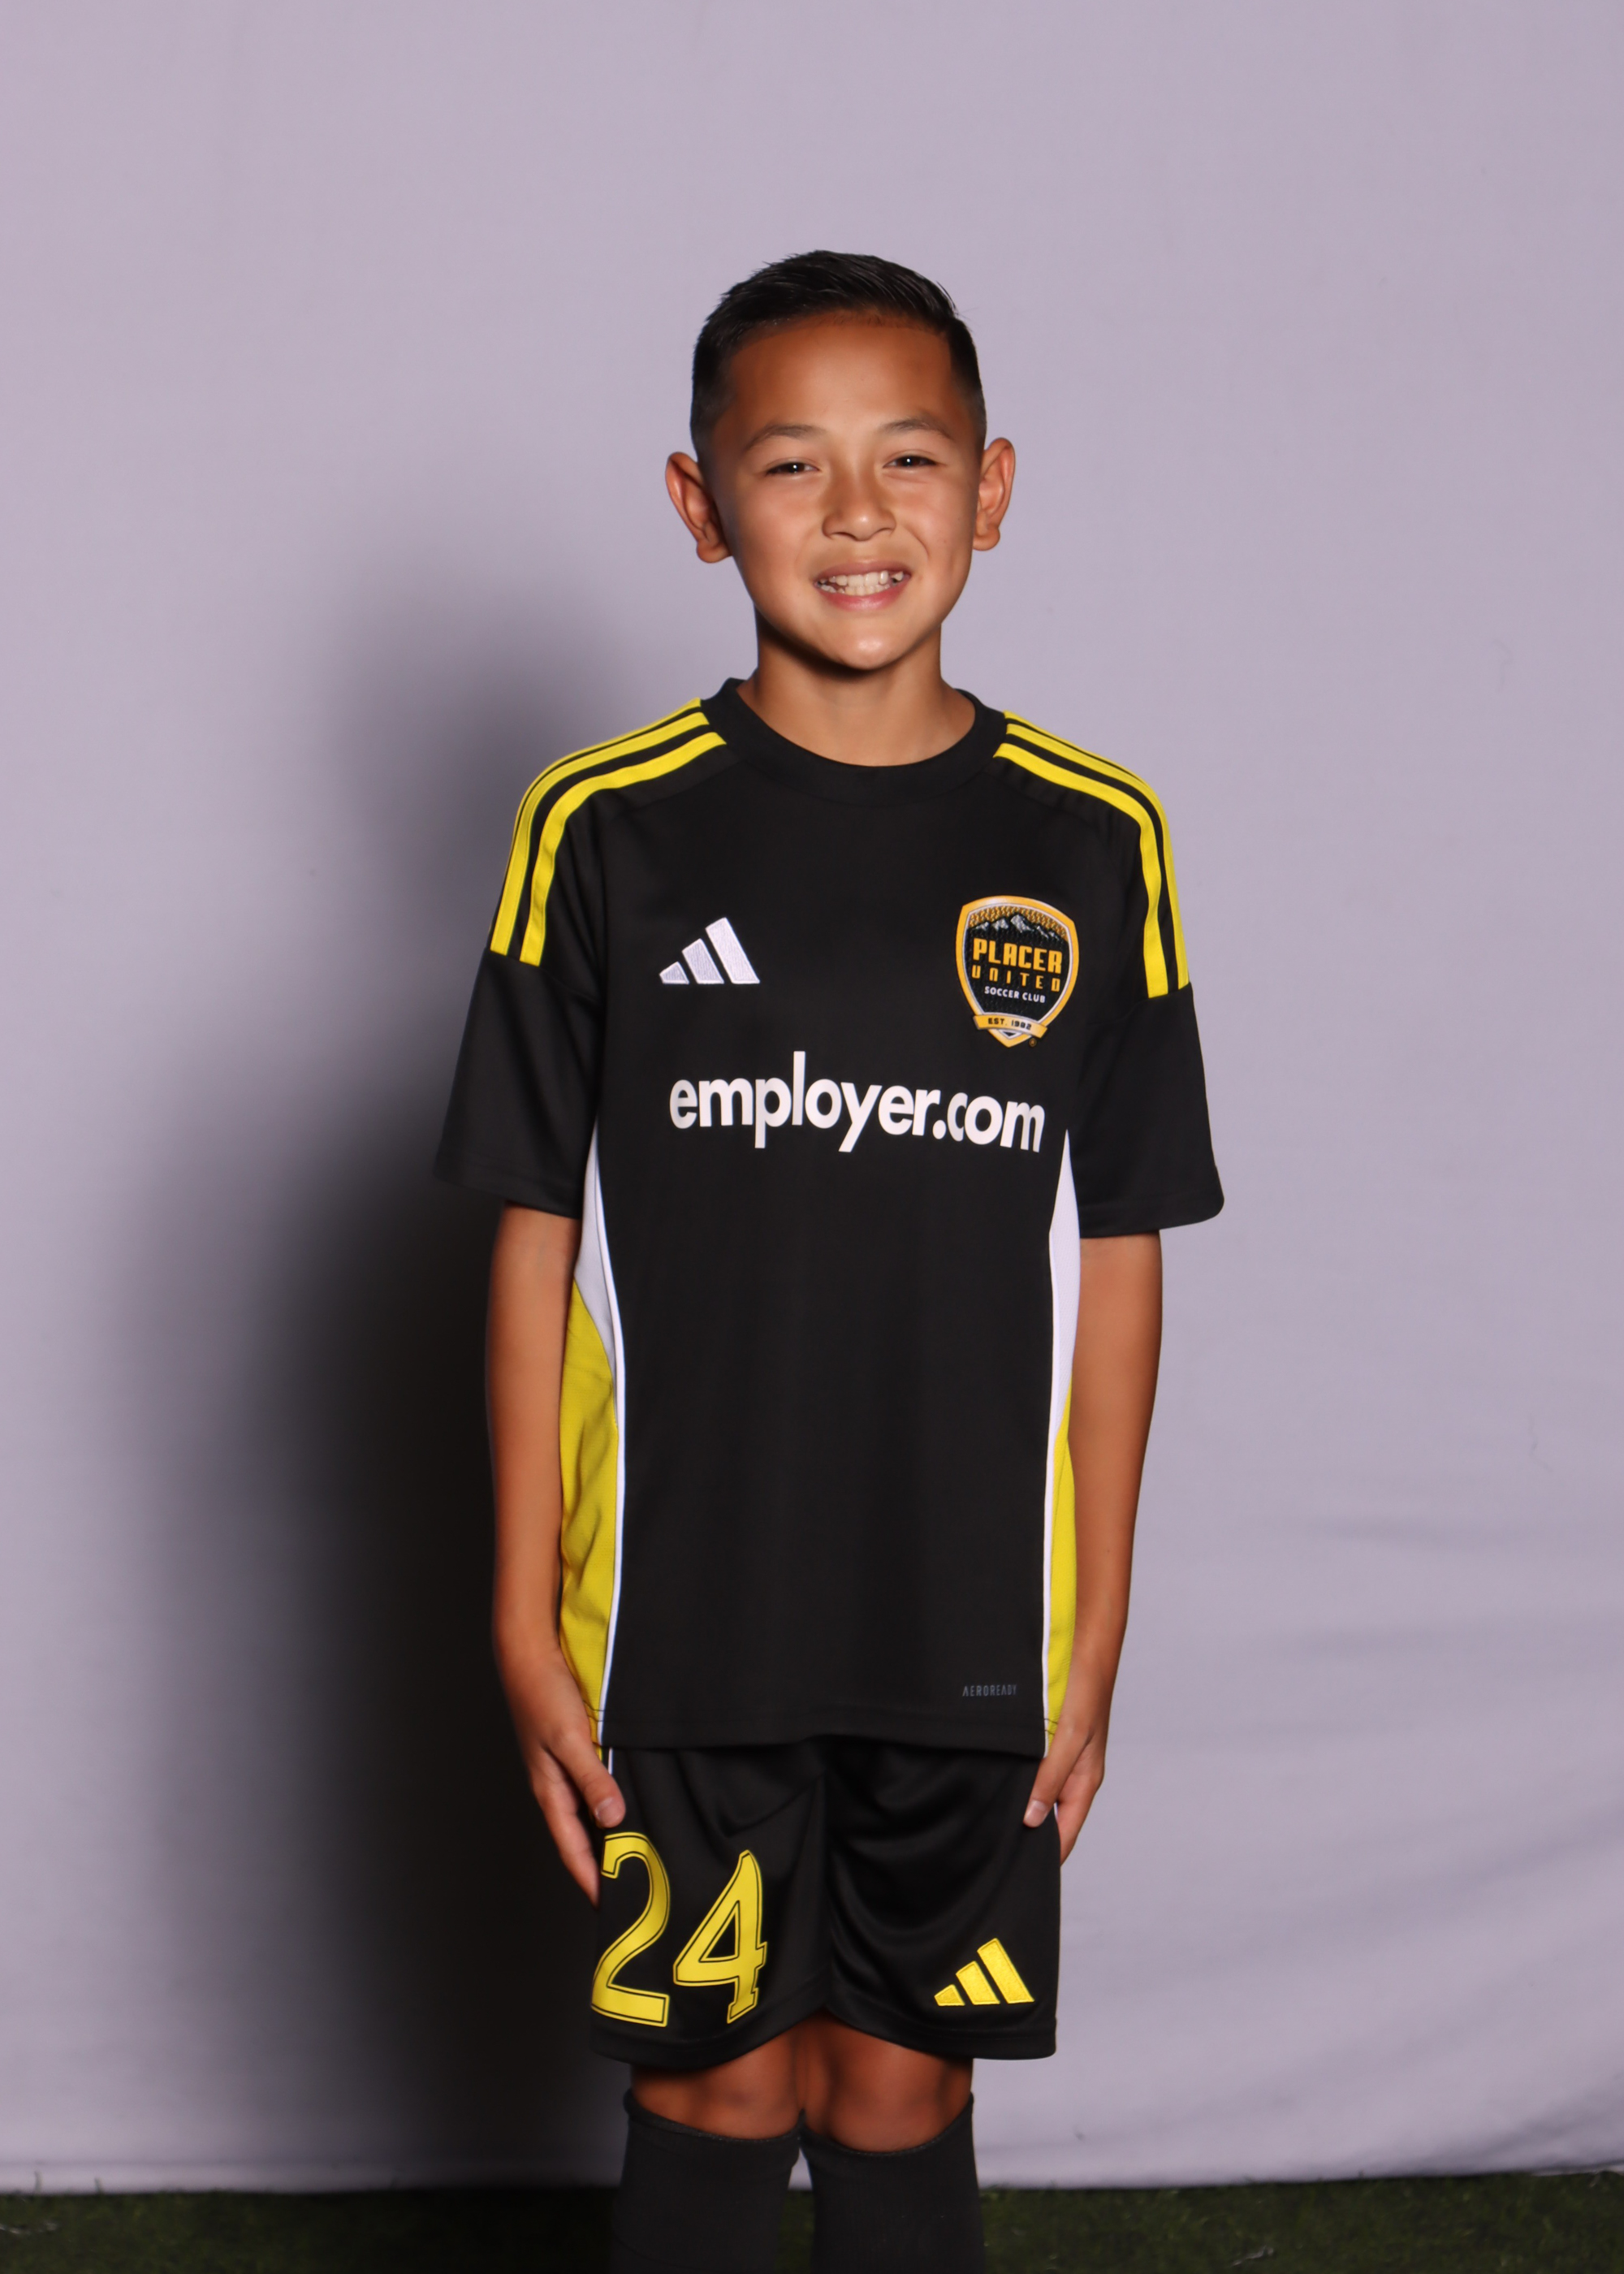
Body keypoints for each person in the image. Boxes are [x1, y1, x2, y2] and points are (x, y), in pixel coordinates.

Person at [436, 250, 1222, 2274]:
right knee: (714, 2080)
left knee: (898, 2083)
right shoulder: (601, 828)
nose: (858, 511)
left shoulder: (1094, 838)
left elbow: (1119, 1248)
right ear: (700, 504)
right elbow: (533, 1235)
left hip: (968, 1607)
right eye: (791, 463)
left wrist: (1098, 1617)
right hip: (679, 1608)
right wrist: (522, 1606)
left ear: (994, 486)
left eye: (911, 457)